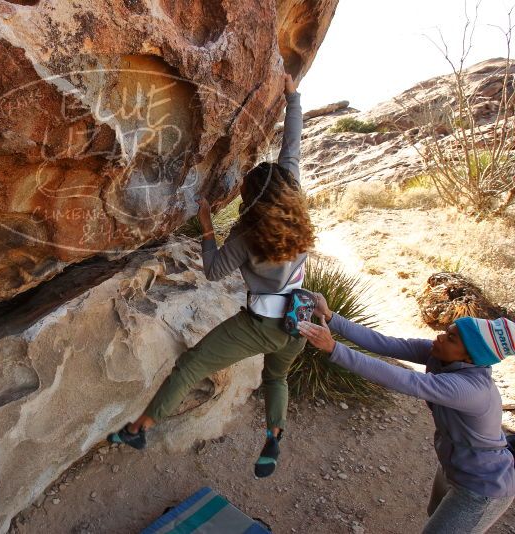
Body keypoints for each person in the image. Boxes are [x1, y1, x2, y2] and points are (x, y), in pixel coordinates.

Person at [107, 73, 316, 479]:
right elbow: (293, 149)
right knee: (277, 376)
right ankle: (275, 431)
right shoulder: (294, 202)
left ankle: (138, 430)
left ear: (251, 200)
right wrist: (293, 99)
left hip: (262, 325)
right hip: (301, 318)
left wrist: (207, 226)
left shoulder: (246, 235)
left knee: (191, 366)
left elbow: (214, 271)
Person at [298, 300, 515, 534]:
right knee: (436, 515)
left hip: (481, 488)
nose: (441, 337)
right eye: (447, 331)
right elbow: (387, 344)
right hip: (455, 466)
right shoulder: (441, 355)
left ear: (470, 358)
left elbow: (404, 380)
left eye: (451, 338)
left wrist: (333, 348)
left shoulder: (470, 389)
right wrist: (331, 317)